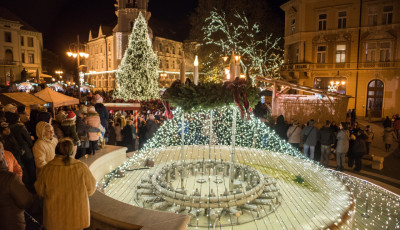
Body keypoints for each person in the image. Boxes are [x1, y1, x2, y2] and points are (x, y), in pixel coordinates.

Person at [35, 138, 96, 230]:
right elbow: (91, 189)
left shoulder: (48, 168)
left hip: (55, 220)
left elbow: (40, 190)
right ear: (72, 151)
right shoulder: (81, 167)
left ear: (56, 151)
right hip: (77, 218)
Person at [0, 152, 34, 230]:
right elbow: (25, 201)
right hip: (11, 223)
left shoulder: (9, 155)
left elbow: (18, 169)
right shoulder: (9, 178)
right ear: (1, 155)